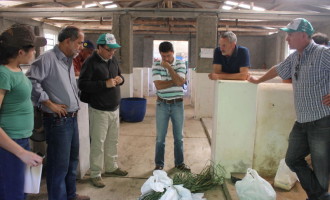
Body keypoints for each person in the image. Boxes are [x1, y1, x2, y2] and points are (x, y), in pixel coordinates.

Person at [248, 18, 330, 200]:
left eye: (290, 35)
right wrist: (257, 80)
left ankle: (317, 197)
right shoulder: (295, 57)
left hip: (322, 120)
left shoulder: (323, 54)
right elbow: (278, 69)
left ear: (303, 35)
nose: (287, 39)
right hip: (301, 121)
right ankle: (320, 196)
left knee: (321, 166)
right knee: (292, 159)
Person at [26, 26, 90, 200]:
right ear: (67, 41)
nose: (81, 47)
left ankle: (70, 195)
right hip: (57, 120)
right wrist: (48, 102)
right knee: (58, 166)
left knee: (71, 162)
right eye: (78, 43)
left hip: (71, 118)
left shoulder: (68, 60)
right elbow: (30, 81)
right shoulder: (47, 59)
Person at [0, 24, 45, 200]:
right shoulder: (3, 74)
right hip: (9, 146)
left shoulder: (17, 70)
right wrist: (21, 152)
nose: (35, 52)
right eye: (33, 48)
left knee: (21, 191)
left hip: (21, 140)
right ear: (20, 52)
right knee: (12, 193)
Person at [78, 33, 127, 188]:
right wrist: (104, 84)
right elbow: (83, 85)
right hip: (99, 110)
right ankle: (95, 173)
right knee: (98, 143)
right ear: (99, 48)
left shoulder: (113, 60)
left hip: (114, 109)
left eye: (113, 50)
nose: (111, 52)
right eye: (108, 49)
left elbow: (119, 76)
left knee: (113, 140)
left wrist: (121, 79)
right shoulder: (90, 62)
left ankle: (111, 167)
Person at [152, 41, 190, 172]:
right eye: (163, 56)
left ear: (173, 53)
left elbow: (180, 82)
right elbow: (158, 85)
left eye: (168, 56)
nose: (165, 59)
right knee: (160, 138)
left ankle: (179, 163)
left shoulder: (180, 63)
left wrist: (168, 68)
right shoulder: (156, 64)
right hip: (161, 104)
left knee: (179, 137)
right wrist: (175, 80)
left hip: (177, 104)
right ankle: (159, 164)